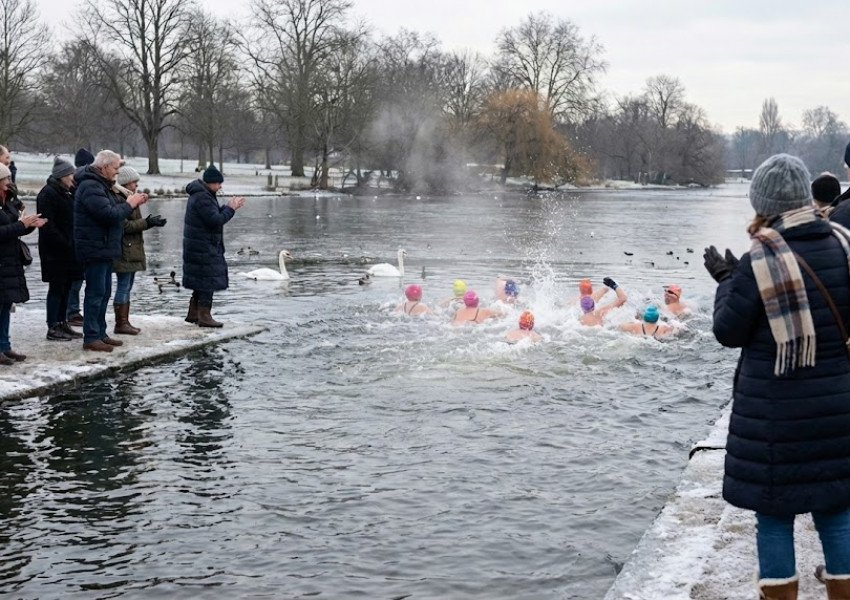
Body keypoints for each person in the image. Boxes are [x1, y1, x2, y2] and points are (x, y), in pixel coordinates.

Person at [705, 153, 850, 600]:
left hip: (775, 417)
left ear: (763, 203)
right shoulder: (843, 243)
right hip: (838, 408)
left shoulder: (759, 259)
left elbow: (728, 331)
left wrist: (727, 279)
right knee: (836, 510)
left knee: (773, 517)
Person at [74, 150, 148, 352]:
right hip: (94, 247)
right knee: (95, 293)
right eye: (115, 168)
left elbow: (115, 208)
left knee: (104, 292)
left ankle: (100, 333)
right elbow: (108, 214)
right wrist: (129, 204)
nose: (117, 172)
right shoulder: (90, 186)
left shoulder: (103, 185)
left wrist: (133, 200)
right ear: (104, 167)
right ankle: (91, 336)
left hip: (105, 247)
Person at [182, 164, 245, 327]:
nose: (220, 186)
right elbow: (215, 220)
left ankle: (193, 313)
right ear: (211, 182)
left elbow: (213, 215)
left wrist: (227, 207)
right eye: (218, 183)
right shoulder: (203, 197)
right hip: (204, 246)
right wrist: (230, 209)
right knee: (207, 280)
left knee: (200, 279)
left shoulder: (201, 195)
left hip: (198, 245)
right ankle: (204, 316)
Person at [0, 162, 47, 364]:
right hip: (2, 261)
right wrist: (22, 224)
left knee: (5, 304)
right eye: (6, 179)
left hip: (9, 260)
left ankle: (5, 345)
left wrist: (30, 225)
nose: (10, 182)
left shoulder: (8, 201)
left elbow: (13, 227)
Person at [112, 165, 166, 335]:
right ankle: (121, 323)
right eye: (134, 182)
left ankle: (124, 321)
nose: (136, 185)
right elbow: (124, 226)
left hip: (131, 248)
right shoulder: (121, 199)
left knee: (127, 285)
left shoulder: (129, 197)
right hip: (125, 249)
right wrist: (148, 222)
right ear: (126, 183)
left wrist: (148, 221)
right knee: (123, 285)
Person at [37, 157, 83, 341]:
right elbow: (49, 225)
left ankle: (63, 322)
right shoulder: (48, 193)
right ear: (61, 175)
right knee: (56, 288)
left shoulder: (67, 192)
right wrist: (65, 242)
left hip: (69, 250)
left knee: (67, 287)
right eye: (70, 174)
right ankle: (53, 325)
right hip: (54, 251)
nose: (73, 177)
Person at [66, 147, 95, 326]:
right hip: (76, 239)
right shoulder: (81, 185)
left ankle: (72, 310)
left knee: (76, 279)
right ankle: (72, 311)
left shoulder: (75, 185)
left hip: (77, 238)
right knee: (75, 279)